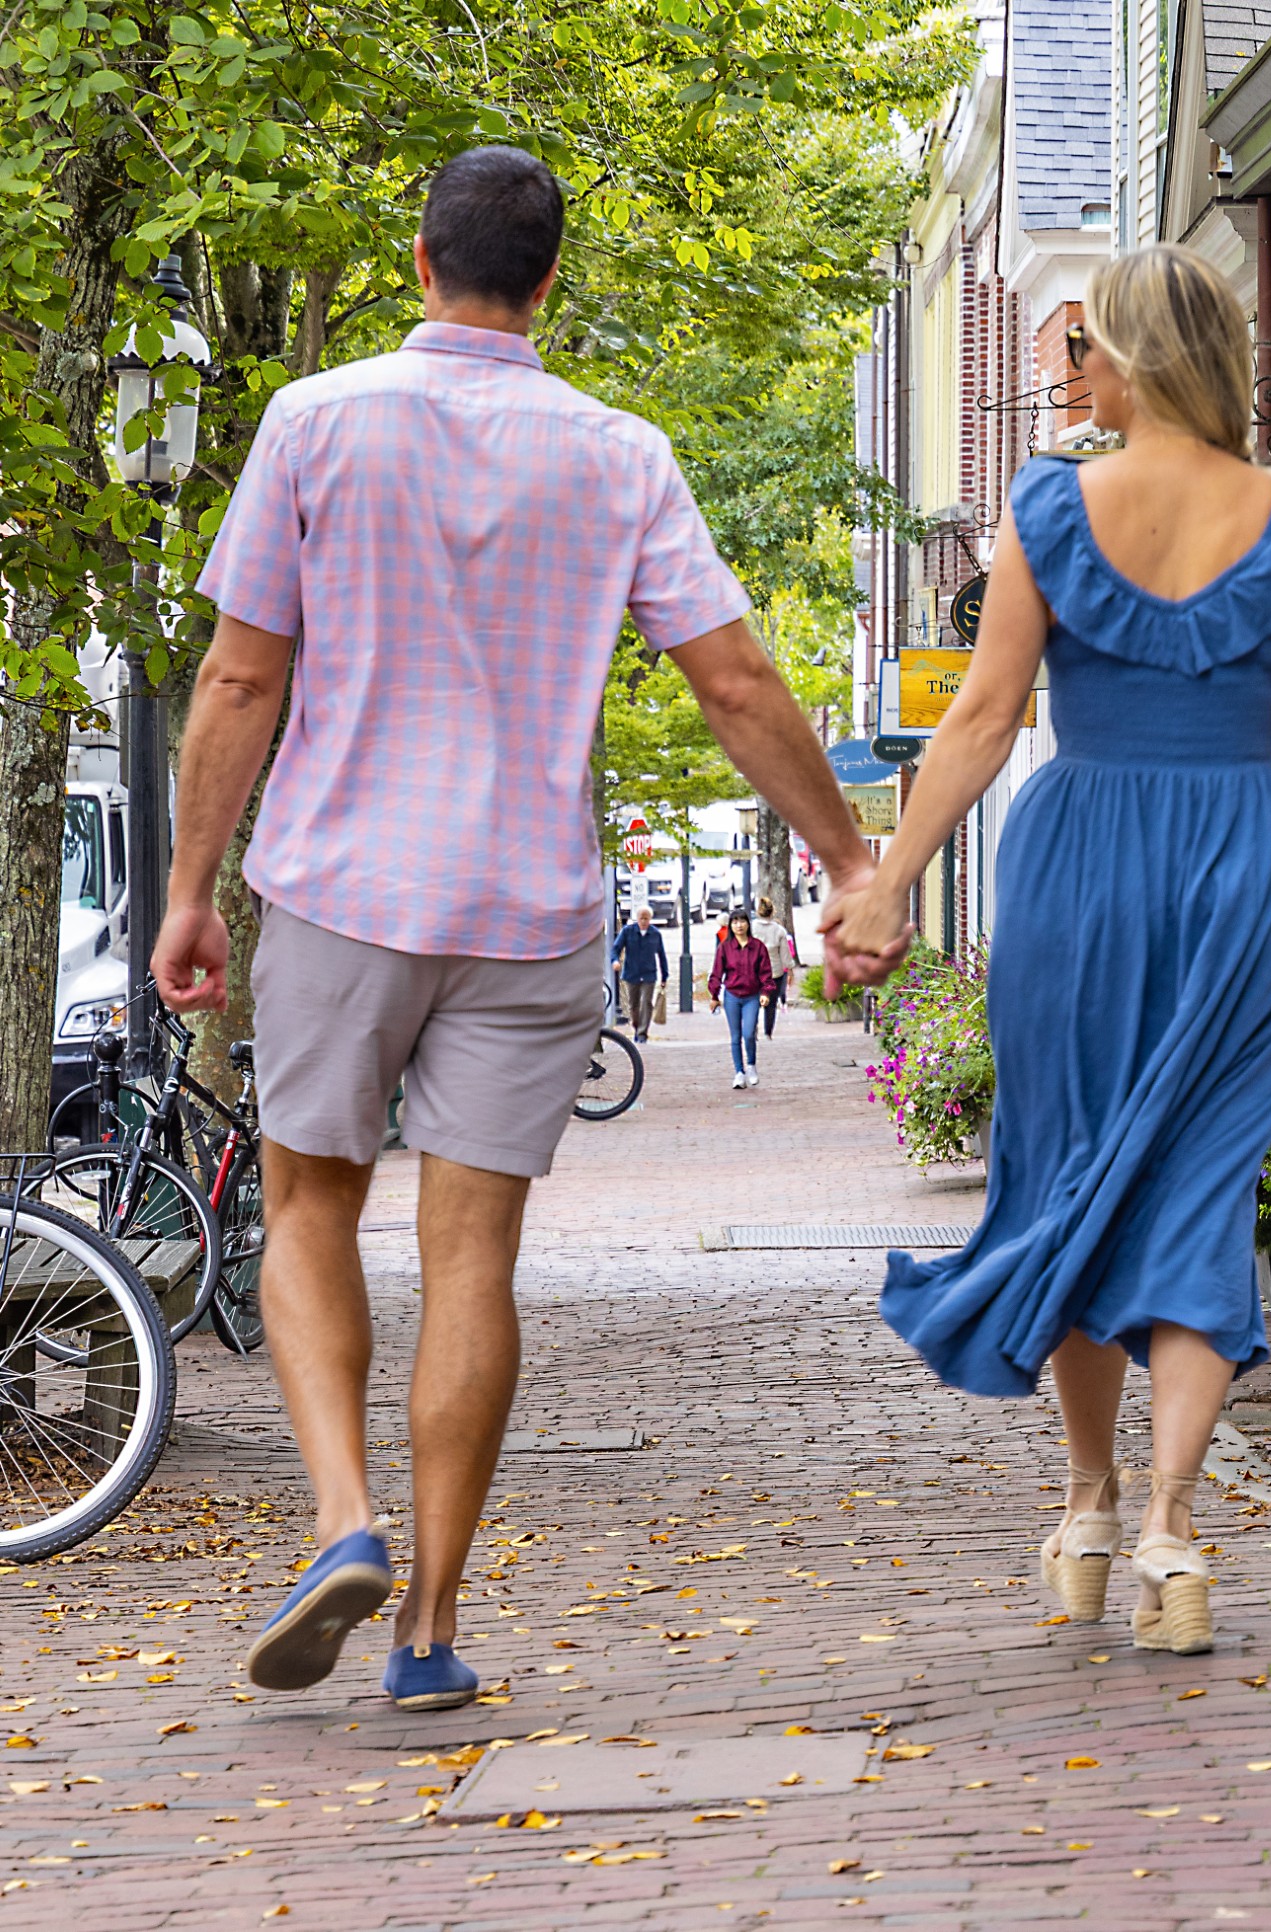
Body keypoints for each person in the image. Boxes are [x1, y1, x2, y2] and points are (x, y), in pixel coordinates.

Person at [153, 145, 891, 1715]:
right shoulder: (619, 452)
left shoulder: (312, 420)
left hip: (343, 886)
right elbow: (736, 682)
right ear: (551, 282)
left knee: (305, 1210)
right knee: (473, 1254)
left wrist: (190, 885)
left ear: (420, 260)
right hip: (528, 904)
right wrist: (849, 857)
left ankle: (340, 1519)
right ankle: (424, 1627)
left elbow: (237, 677)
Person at [832, 245, 1271, 1656]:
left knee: (1068, 1183)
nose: (1069, 378)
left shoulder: (1051, 511)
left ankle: (1085, 1504)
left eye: (1081, 353)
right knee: (1199, 1197)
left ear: (1129, 360)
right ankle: (1175, 1531)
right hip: (1241, 877)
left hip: (1077, 877)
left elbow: (986, 717)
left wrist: (892, 882)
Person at [708, 908, 776, 1088]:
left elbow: (765, 973)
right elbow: (716, 973)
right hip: (732, 996)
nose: (739, 925)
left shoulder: (758, 946)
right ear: (730, 925)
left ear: (748, 923)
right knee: (735, 1036)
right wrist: (714, 995)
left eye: (742, 921)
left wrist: (765, 992)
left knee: (748, 1033)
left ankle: (751, 1065)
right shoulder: (725, 947)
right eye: (735, 922)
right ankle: (739, 1072)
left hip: (751, 996)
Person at [609, 903, 668, 1042]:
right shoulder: (627, 931)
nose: (643, 921)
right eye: (641, 918)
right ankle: (637, 1026)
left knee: (647, 1002)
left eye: (646, 919)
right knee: (633, 1004)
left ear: (650, 919)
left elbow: (661, 955)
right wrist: (615, 961)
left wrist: (664, 975)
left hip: (649, 974)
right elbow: (615, 948)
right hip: (631, 973)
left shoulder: (655, 934)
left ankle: (642, 1033)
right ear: (637, 918)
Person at [751, 894, 799, 1037]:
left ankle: (752, 1029)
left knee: (753, 1003)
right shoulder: (779, 930)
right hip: (774, 973)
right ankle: (768, 1032)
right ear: (772, 912)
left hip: (754, 972)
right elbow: (785, 955)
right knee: (770, 1005)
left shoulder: (751, 928)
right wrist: (790, 970)